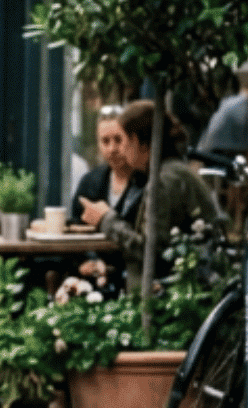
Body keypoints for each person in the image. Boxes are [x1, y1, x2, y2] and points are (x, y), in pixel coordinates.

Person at [79, 99, 224, 292]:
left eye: (123, 140)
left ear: (143, 144)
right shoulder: (170, 173)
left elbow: (152, 252)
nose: (119, 149)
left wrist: (106, 219)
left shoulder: (163, 182)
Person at [67, 104, 143, 284]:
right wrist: (90, 260)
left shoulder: (144, 183)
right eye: (105, 141)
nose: (112, 148)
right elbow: (76, 228)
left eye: (118, 140)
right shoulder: (90, 182)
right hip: (92, 275)